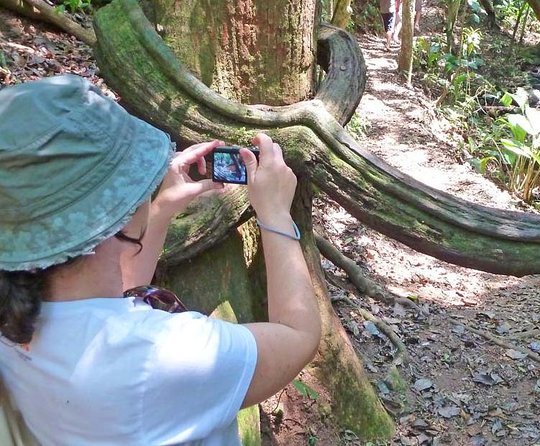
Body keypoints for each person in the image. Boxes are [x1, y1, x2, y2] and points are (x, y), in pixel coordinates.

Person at [0, 74, 320, 445]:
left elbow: (107, 300)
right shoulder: (162, 356)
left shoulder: (19, 316)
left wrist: (161, 209)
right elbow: (298, 338)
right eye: (136, 180)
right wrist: (276, 213)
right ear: (113, 214)